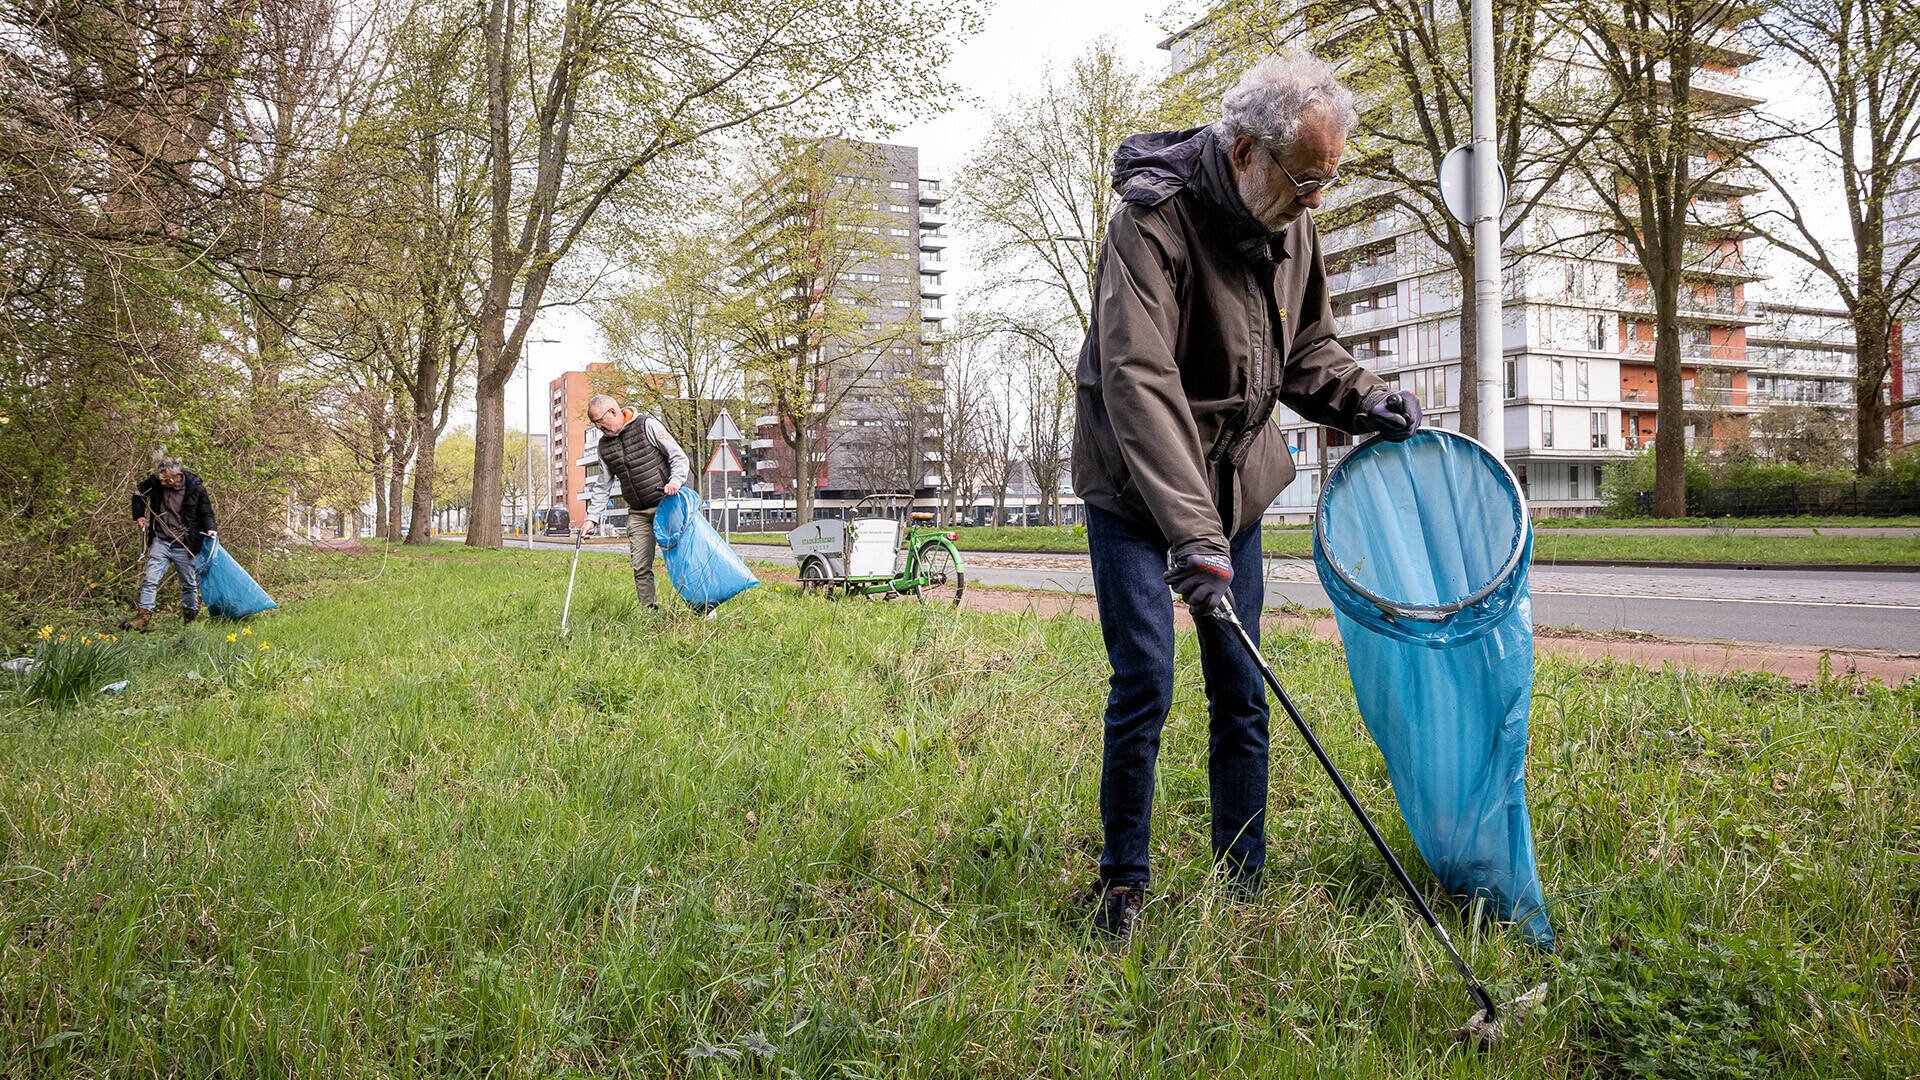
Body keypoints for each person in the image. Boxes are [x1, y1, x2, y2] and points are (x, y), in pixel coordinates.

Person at [1072, 52, 1423, 940]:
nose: (1316, 203)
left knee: (1241, 683)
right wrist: (1194, 539)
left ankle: (1243, 880)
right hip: (1134, 487)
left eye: (1326, 183)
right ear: (1243, 153)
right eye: (1306, 180)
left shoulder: (1292, 219)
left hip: (1237, 484)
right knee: (1145, 680)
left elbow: (1307, 350)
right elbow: (1139, 381)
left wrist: (1365, 397)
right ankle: (1124, 883)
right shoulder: (1149, 224)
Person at [581, 394, 691, 610]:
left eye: (599, 421)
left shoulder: (647, 425)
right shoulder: (604, 447)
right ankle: (649, 612)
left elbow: (678, 457)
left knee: (682, 562)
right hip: (638, 513)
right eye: (594, 423)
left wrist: (675, 481)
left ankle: (702, 607)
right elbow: (603, 485)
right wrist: (591, 519)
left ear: (613, 412)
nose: (598, 427)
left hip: (667, 506)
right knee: (640, 566)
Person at [127, 456, 218, 632]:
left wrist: (211, 529)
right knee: (150, 580)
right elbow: (138, 495)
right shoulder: (156, 482)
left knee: (189, 584)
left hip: (184, 544)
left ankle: (190, 619)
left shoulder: (195, 487)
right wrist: (139, 515)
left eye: (167, 480)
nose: (163, 483)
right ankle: (143, 618)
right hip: (160, 541)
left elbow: (206, 511)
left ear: (178, 476)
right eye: (161, 479)